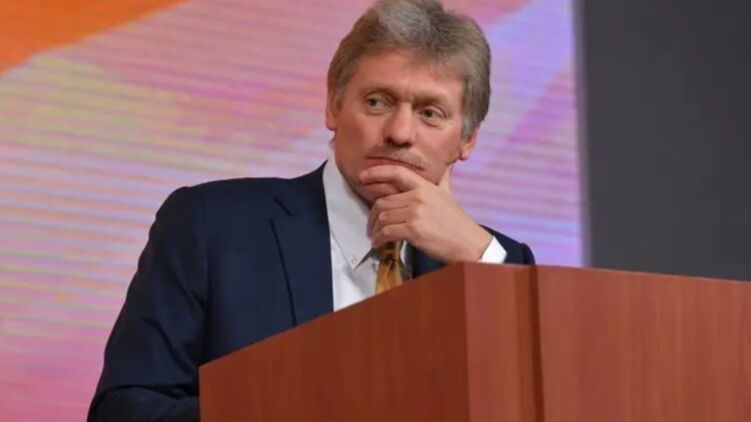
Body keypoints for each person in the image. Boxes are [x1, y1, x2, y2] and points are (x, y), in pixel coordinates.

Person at [88, 0, 534, 420]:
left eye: (430, 113)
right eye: (377, 101)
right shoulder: (210, 227)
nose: (400, 133)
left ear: (467, 140)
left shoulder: (496, 261)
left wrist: (480, 259)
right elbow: (124, 410)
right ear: (333, 106)